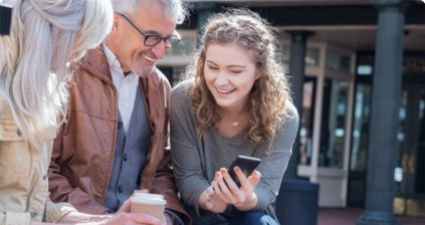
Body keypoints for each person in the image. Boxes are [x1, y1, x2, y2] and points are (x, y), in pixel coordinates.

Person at [0, 0, 165, 224]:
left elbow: (37, 206)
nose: (74, 60)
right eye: (76, 47)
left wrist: (106, 222)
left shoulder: (35, 95)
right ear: (54, 32)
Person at [48, 0, 191, 224]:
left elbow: (161, 170)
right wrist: (104, 221)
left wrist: (167, 216)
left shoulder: (160, 87)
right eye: (152, 37)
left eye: (168, 39)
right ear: (114, 24)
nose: (160, 52)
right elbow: (44, 172)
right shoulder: (65, 73)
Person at [170, 9, 299, 225]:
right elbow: (187, 177)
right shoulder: (183, 98)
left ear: (259, 70)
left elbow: (266, 189)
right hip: (196, 214)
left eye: (235, 71)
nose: (221, 81)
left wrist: (246, 199)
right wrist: (210, 199)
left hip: (249, 217)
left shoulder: (283, 116)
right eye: (212, 67)